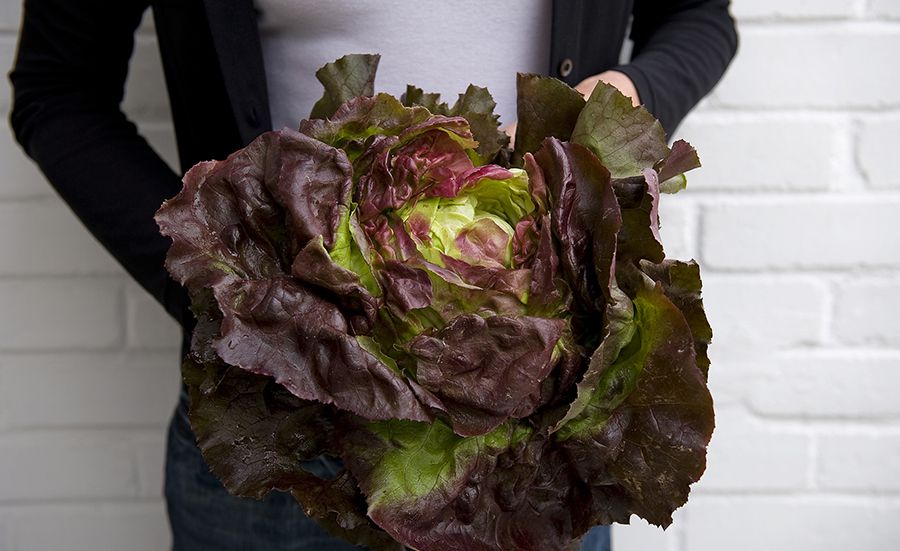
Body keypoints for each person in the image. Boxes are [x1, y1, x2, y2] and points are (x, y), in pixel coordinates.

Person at [7, 1, 737, 549]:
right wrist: (226, 293)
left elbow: (699, 16)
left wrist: (622, 100)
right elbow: (58, 90)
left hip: (534, 460)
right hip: (284, 437)